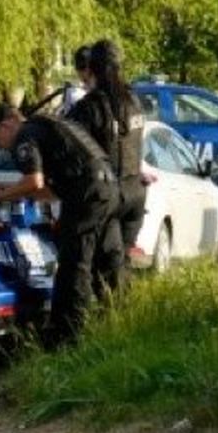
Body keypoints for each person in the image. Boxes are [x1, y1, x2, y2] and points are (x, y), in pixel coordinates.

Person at [0, 103, 122, 348]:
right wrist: (12, 193)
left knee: (73, 265)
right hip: (107, 189)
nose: (0, 147)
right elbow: (51, 190)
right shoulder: (51, 125)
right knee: (105, 262)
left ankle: (67, 336)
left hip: (88, 193)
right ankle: (115, 323)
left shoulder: (25, 135)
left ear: (6, 125)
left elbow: (34, 181)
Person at [66, 39, 145, 295]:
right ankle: (123, 322)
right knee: (122, 265)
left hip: (109, 194)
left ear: (92, 68)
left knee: (106, 270)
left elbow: (69, 149)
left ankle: (108, 326)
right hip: (136, 192)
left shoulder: (90, 107)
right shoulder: (133, 100)